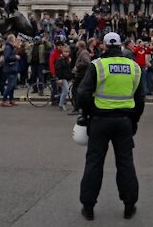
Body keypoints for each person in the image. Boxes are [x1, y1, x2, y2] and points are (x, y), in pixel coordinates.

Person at [78, 32, 145, 221]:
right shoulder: (134, 67)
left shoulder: (97, 65)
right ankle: (129, 205)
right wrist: (134, 121)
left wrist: (89, 113)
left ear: (105, 46)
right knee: (125, 163)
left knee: (94, 163)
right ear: (121, 46)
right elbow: (140, 99)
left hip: (100, 119)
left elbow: (83, 94)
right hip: (124, 120)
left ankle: (88, 206)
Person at [70, 40, 91, 115]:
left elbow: (87, 62)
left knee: (75, 90)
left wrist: (78, 66)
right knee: (76, 90)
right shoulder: (81, 52)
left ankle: (77, 107)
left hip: (81, 74)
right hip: (80, 74)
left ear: (80, 46)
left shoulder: (84, 52)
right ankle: (77, 107)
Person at [1, 35, 21, 107]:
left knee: (12, 86)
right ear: (11, 40)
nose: (15, 40)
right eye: (14, 39)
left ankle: (11, 99)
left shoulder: (11, 47)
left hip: (13, 69)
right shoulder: (8, 47)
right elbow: (7, 58)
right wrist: (15, 57)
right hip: (10, 69)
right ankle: (4, 100)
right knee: (10, 85)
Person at [55, 45, 72, 111]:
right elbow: (58, 69)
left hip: (67, 77)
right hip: (62, 78)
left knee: (64, 91)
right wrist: (59, 79)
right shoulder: (60, 59)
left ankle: (59, 99)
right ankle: (61, 105)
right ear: (62, 52)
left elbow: (68, 69)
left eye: (67, 52)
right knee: (66, 90)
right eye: (65, 51)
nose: (66, 53)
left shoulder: (67, 59)